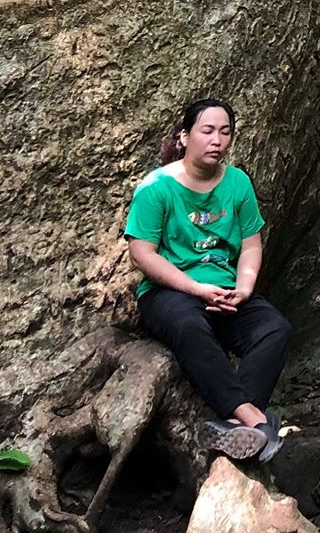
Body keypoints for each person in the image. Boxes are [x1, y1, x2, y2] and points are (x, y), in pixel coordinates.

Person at [124, 98, 292, 461]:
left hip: (226, 291)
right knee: (188, 324)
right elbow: (142, 253)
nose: (217, 140)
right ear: (185, 137)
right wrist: (195, 288)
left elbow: (251, 243)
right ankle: (253, 418)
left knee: (275, 328)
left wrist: (244, 289)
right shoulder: (156, 187)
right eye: (207, 131)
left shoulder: (237, 183)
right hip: (169, 292)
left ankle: (233, 428)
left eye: (225, 132)